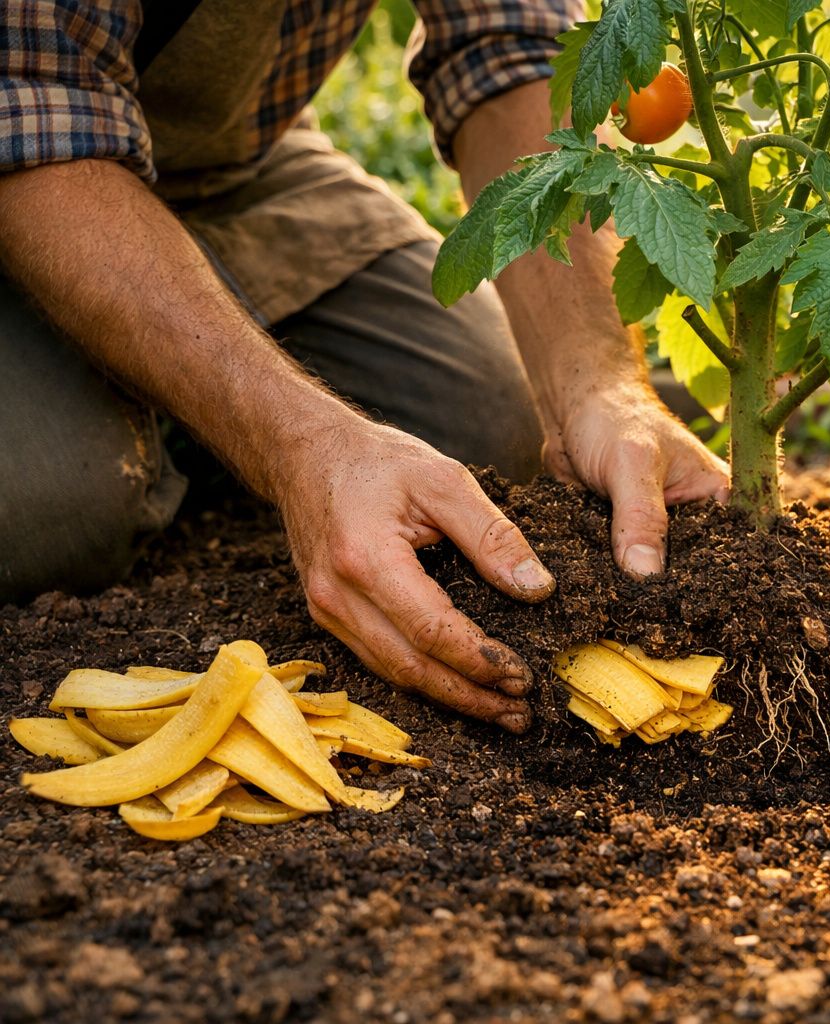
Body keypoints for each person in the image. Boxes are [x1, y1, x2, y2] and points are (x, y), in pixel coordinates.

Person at [0, 2, 728, 733]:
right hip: (33, 166)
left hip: (233, 169)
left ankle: (181, 391)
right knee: (64, 510)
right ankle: (177, 413)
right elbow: (30, 100)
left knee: (494, 426)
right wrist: (299, 445)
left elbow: (508, 46)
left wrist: (598, 380)